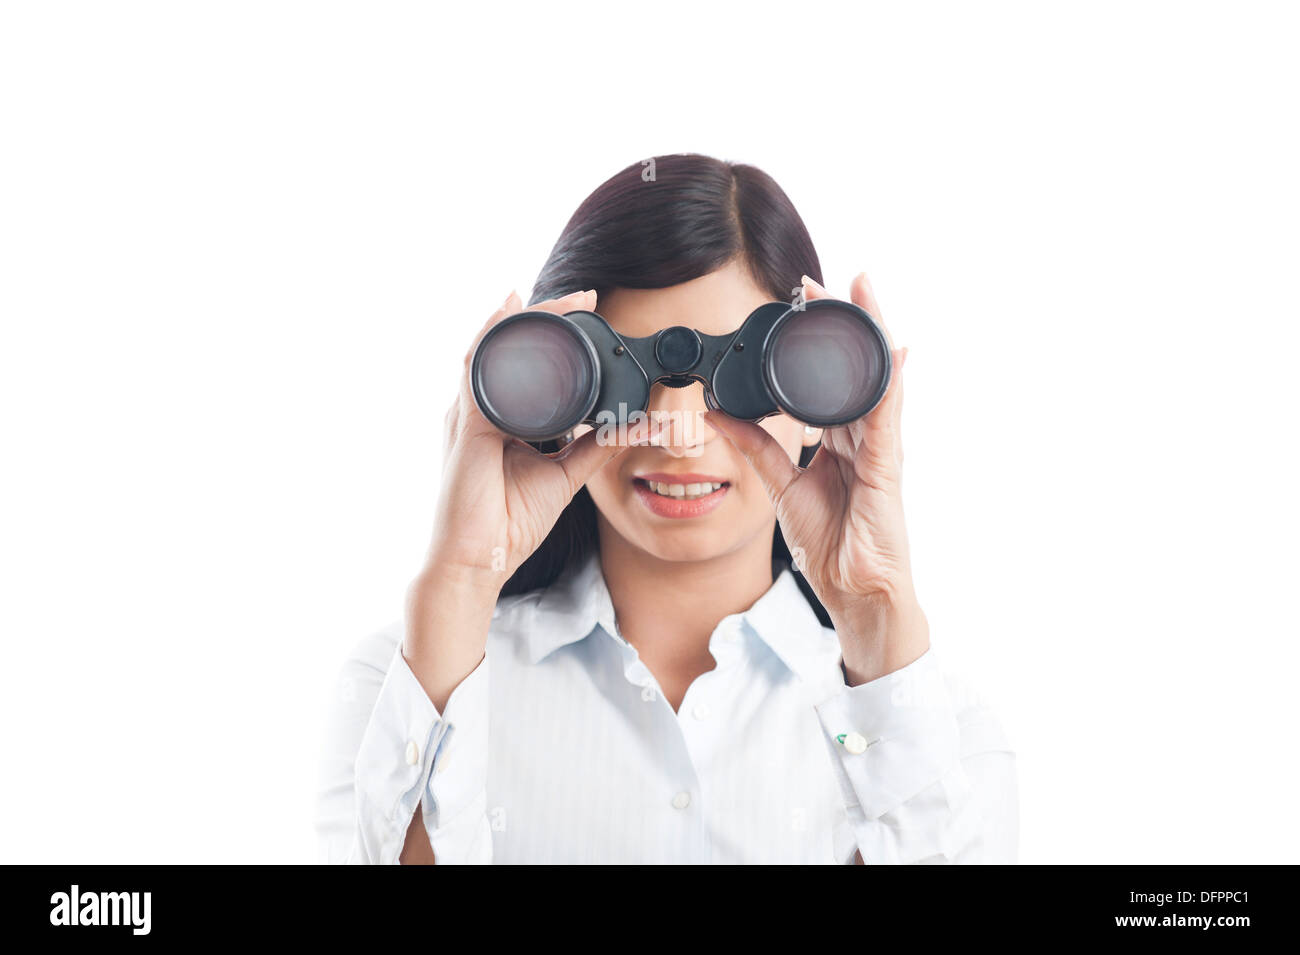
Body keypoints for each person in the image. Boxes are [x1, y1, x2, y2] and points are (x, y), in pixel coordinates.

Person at [315, 154, 1017, 864]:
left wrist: (877, 621)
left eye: (741, 375)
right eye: (621, 375)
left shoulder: (944, 735)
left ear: (817, 391)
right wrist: (461, 582)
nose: (678, 430)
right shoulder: (403, 690)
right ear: (555, 391)